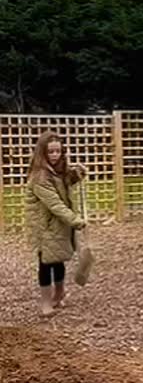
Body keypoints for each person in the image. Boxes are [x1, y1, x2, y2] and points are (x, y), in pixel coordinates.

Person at [25, 132, 86, 317]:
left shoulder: (58, 171)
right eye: (50, 151)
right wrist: (75, 220)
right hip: (45, 226)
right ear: (42, 152)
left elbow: (64, 184)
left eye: (58, 151)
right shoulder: (40, 177)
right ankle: (45, 302)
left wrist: (76, 175)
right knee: (46, 263)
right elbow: (55, 203)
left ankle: (59, 294)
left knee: (58, 258)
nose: (54, 155)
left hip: (58, 225)